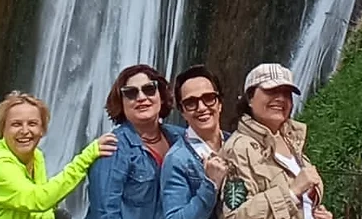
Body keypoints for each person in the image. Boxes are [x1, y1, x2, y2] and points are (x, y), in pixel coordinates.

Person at [0, 91, 118, 219]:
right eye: (16, 124)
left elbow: (41, 212)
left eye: (32, 124)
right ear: (2, 130)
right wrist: (86, 158)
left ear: (42, 130)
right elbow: (38, 200)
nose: (25, 131)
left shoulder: (36, 157)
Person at [219, 64, 333, 219]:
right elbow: (233, 216)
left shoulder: (292, 141)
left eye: (286, 93)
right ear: (250, 98)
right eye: (271, 91)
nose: (280, 98)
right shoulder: (238, 149)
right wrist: (291, 193)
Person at [86, 64, 185, 219]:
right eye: (131, 93)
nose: (141, 97)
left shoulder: (180, 138)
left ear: (161, 95)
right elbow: (105, 213)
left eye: (149, 89)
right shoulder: (112, 148)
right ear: (121, 102)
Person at [160, 65, 230, 219]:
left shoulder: (236, 143)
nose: (202, 107)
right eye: (191, 102)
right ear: (183, 112)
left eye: (209, 98)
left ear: (219, 104)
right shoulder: (177, 159)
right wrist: (210, 184)